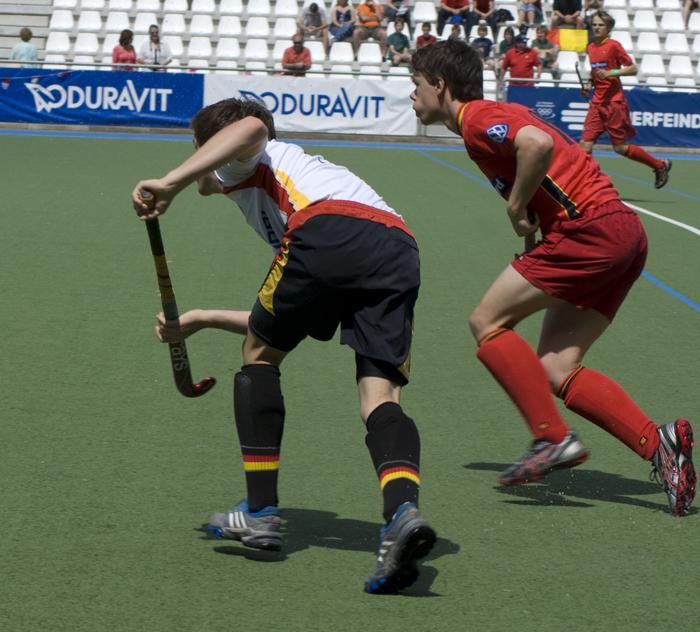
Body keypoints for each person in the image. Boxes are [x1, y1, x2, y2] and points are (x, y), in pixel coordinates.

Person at [131, 97, 437, 593]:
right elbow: (278, 320)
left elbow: (251, 126)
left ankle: (259, 513)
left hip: (328, 229)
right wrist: (201, 319)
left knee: (259, 358)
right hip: (397, 247)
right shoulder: (274, 183)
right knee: (379, 396)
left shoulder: (257, 154)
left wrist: (171, 181)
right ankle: (402, 515)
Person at [409, 38, 696, 517]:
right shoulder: (490, 117)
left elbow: (536, 146)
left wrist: (515, 205)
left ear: (440, 85)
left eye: (416, 83)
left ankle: (551, 438)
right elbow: (546, 173)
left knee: (486, 321)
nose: (412, 94)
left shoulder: (476, 119)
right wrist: (529, 231)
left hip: (589, 231)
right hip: (623, 233)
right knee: (556, 369)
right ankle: (658, 444)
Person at [580, 11, 671, 188]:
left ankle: (659, 165)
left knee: (620, 148)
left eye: (601, 25)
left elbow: (633, 68)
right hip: (597, 103)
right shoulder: (590, 47)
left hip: (614, 103)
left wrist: (611, 72)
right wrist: (589, 84)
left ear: (608, 28)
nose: (596, 28)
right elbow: (595, 72)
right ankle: (589, 184)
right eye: (595, 24)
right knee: (585, 145)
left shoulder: (614, 46)